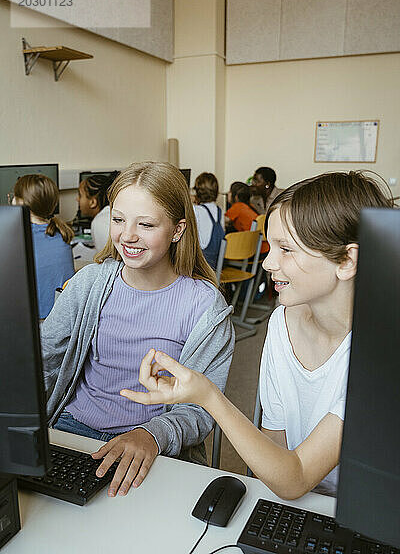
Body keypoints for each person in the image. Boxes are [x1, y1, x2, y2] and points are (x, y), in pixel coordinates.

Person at [121, 171, 393, 499]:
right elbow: (275, 451)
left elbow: (297, 477)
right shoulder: (281, 323)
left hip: (363, 508)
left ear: (348, 260)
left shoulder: (383, 354)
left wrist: (208, 396)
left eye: (286, 249)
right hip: (301, 500)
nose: (267, 262)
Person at [41, 161, 234, 498]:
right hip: (73, 431)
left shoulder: (205, 307)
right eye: (118, 219)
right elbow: (45, 361)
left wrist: (152, 434)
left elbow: (201, 409)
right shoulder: (90, 283)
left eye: (145, 224)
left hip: (151, 442)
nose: (127, 235)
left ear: (177, 230)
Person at [12, 174, 74, 319]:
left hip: (33, 323)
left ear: (20, 202)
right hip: (59, 320)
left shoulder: (18, 236)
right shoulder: (61, 234)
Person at [74, 171, 120, 261]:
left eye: (80, 195)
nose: (77, 199)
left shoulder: (99, 222)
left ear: (93, 202)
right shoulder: (113, 212)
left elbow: (107, 262)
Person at [193, 172, 225, 269]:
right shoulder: (220, 211)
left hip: (200, 267)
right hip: (216, 266)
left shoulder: (195, 210)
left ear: (197, 191)